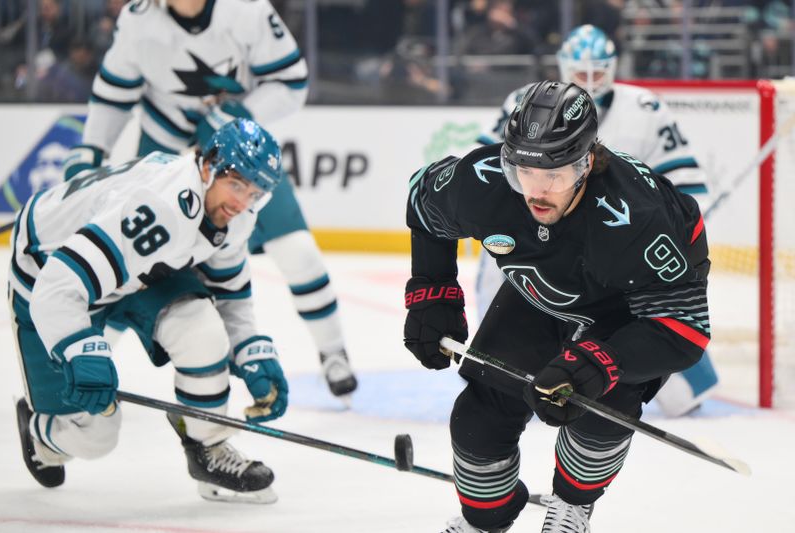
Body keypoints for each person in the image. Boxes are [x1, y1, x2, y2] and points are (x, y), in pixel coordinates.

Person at [404, 81, 711, 532]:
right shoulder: (484, 181)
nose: (537, 192)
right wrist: (432, 292)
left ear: (587, 162)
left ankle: (572, 505)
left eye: (556, 175)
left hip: (623, 308)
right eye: (523, 172)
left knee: (599, 418)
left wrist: (602, 361)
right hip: (542, 294)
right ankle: (490, 516)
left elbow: (684, 328)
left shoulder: (636, 218)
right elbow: (422, 204)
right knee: (476, 421)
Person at [62, 0, 357, 398]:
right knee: (132, 268)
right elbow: (115, 92)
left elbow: (292, 81)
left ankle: (333, 351)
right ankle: (88, 363)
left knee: (299, 253)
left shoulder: (247, 10)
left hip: (239, 158)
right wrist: (92, 149)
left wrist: (238, 116)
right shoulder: (138, 19)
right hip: (164, 157)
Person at [12, 118, 289, 504]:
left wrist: (251, 348)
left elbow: (229, 292)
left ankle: (206, 446)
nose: (242, 202)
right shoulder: (162, 209)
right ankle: (41, 434)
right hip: (47, 271)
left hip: (134, 268)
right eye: (237, 184)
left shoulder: (233, 214)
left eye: (255, 193)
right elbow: (58, 288)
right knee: (96, 437)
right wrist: (77, 347)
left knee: (201, 331)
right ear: (208, 167)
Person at [475, 24, 717, 418]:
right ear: (563, 66)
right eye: (581, 72)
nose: (589, 81)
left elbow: (683, 178)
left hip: (621, 233)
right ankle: (507, 374)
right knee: (497, 272)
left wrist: (678, 225)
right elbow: (486, 164)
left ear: (613, 67)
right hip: (543, 219)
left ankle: (677, 386)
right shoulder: (528, 103)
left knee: (642, 310)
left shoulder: (645, 107)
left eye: (598, 72)